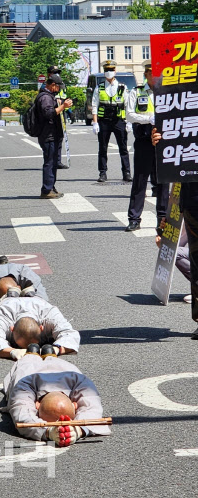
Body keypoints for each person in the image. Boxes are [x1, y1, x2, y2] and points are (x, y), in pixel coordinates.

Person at [3, 353, 111, 445]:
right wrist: (48, 432)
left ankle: (49, 353)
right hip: (28, 367)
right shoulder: (23, 384)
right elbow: (21, 412)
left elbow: (93, 407)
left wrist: (77, 430)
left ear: (37, 405)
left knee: (48, 354)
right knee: (29, 356)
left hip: (61, 367)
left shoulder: (80, 381)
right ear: (74, 405)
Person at [152, 128, 198, 339]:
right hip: (191, 202)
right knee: (196, 262)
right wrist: (161, 144)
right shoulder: (183, 116)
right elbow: (171, 164)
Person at [125, 61, 169, 231]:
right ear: (146, 74)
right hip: (143, 139)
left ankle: (162, 219)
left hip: (162, 140)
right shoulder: (136, 92)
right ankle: (134, 218)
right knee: (140, 180)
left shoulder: (165, 92)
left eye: (157, 72)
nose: (154, 75)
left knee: (163, 181)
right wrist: (148, 118)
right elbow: (129, 115)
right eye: (151, 72)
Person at [0, 294, 80, 359]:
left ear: (42, 328)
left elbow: (69, 334)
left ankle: (26, 292)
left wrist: (56, 349)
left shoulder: (49, 314)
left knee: (37, 291)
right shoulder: (4, 314)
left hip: (37, 299)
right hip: (9, 301)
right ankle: (13, 293)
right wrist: (13, 352)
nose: (31, 349)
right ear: (12, 329)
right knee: (8, 293)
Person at [92, 60, 132, 183]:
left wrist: (129, 122)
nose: (109, 72)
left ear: (115, 71)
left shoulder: (122, 87)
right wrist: (95, 122)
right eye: (106, 70)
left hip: (119, 120)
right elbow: (94, 105)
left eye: (111, 70)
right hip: (104, 121)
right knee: (103, 148)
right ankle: (102, 173)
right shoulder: (99, 87)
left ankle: (126, 172)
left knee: (123, 148)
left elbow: (127, 105)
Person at [36, 74, 73, 199]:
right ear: (53, 85)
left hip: (52, 134)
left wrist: (61, 103)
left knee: (53, 162)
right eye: (58, 87)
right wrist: (63, 107)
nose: (59, 89)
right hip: (48, 135)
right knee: (49, 162)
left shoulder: (49, 96)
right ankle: (46, 190)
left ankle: (51, 187)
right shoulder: (45, 97)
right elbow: (49, 113)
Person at [43, 66, 72, 170]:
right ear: (49, 74)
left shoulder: (61, 84)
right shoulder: (46, 86)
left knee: (60, 136)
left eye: (57, 72)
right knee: (50, 138)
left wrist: (69, 110)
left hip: (61, 112)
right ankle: (51, 160)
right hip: (51, 113)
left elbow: (64, 97)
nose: (56, 74)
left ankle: (58, 161)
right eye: (54, 72)